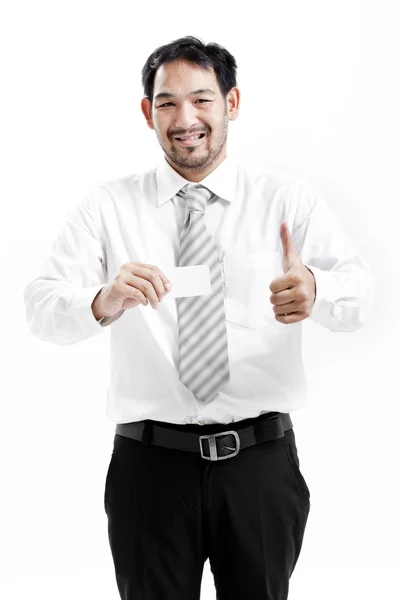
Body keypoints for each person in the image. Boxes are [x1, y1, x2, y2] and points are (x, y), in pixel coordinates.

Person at [23, 36, 376, 600]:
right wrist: (101, 300)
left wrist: (318, 288)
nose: (185, 119)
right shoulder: (108, 207)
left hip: (259, 466)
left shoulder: (286, 201)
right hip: (149, 467)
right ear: (148, 113)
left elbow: (362, 298)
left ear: (231, 103)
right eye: (167, 103)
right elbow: (40, 308)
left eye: (202, 100)